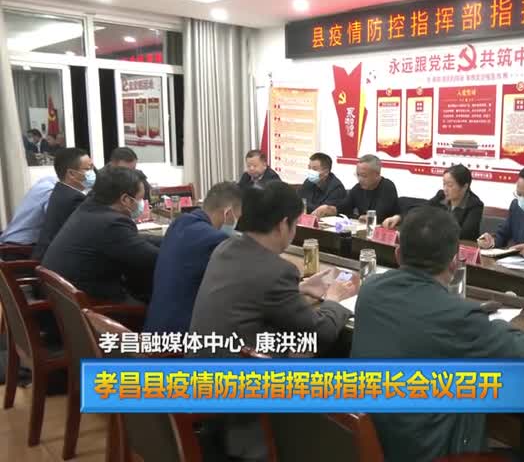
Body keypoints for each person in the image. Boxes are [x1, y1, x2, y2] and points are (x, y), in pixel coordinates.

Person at [351, 206, 524, 462]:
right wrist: (493, 323)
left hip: (378, 439)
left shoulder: (370, 289)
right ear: (454, 262)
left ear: (397, 254)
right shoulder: (460, 317)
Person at [189, 181, 356, 462]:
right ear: (282, 225)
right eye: (296, 224)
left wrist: (299, 288)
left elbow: (250, 290)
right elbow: (319, 333)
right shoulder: (277, 271)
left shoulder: (226, 248)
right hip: (242, 407)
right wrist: (334, 300)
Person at [41, 166, 159, 304]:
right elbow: (153, 258)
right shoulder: (112, 223)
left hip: (65, 300)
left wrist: (168, 239)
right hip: (94, 305)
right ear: (125, 199)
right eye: (141, 199)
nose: (142, 204)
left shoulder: (90, 208)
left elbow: (133, 241)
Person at [143, 182, 243, 334]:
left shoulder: (179, 223)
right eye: (238, 218)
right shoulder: (215, 239)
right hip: (183, 337)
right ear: (227, 213)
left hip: (155, 328)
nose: (236, 225)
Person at [382, 164, 485, 241]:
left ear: (465, 186)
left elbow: (464, 234)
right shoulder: (441, 196)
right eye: (444, 184)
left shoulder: (475, 205)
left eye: (450, 185)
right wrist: (399, 218)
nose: (445, 189)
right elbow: (421, 211)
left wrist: (432, 228)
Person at [32, 148, 94, 260]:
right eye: (88, 169)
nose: (92, 173)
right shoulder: (74, 199)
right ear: (71, 174)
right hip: (55, 261)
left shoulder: (61, 190)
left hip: (49, 257)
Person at [314, 154, 400, 223]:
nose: (360, 179)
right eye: (358, 175)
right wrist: (329, 209)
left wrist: (363, 217)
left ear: (377, 174)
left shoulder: (387, 187)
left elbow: (379, 216)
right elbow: (344, 207)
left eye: (364, 176)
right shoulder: (358, 188)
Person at [0, 175, 57, 249]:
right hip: (22, 246)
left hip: (12, 240)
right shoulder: (50, 190)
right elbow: (55, 221)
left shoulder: (44, 184)